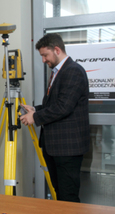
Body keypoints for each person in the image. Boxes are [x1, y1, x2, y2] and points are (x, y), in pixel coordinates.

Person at [20, 33, 90, 202]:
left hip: (67, 149)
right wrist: (34, 109)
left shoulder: (73, 71)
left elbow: (63, 107)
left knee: (68, 197)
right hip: (55, 147)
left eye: (45, 55)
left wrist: (35, 117)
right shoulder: (58, 72)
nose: (43, 60)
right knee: (59, 193)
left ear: (57, 50)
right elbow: (55, 103)